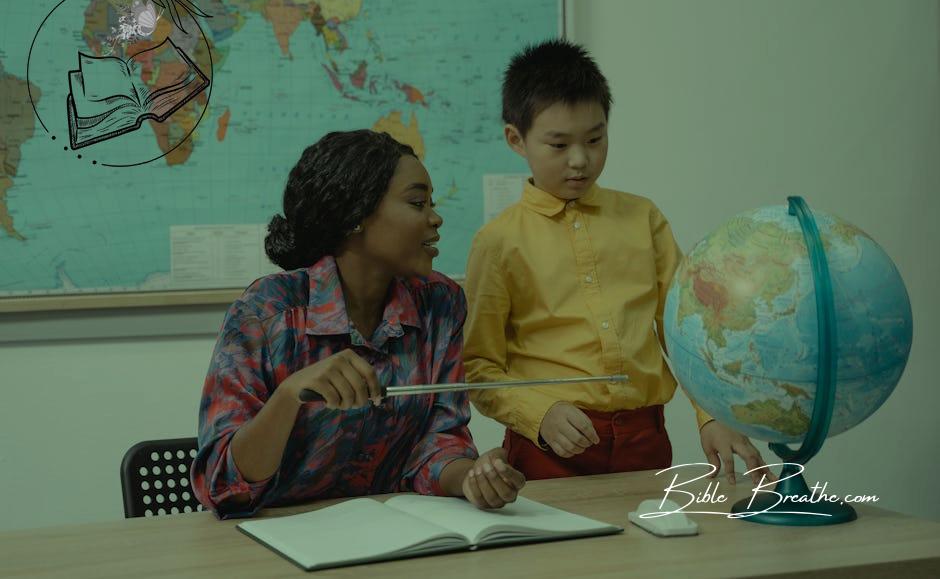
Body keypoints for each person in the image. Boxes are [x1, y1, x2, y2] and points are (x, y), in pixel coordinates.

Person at [463, 39, 773, 485]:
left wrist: (710, 416)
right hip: (549, 444)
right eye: (558, 144)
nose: (580, 160)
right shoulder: (497, 242)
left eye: (595, 138)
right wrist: (539, 414)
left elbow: (685, 330)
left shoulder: (643, 218)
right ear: (516, 139)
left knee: (651, 549)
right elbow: (480, 368)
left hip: (644, 437)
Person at [191, 130, 525, 518]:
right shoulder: (266, 313)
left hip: (393, 535)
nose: (436, 218)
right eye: (417, 202)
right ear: (356, 217)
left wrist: (471, 478)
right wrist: (288, 396)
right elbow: (220, 483)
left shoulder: (440, 303)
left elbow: (438, 442)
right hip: (273, 541)